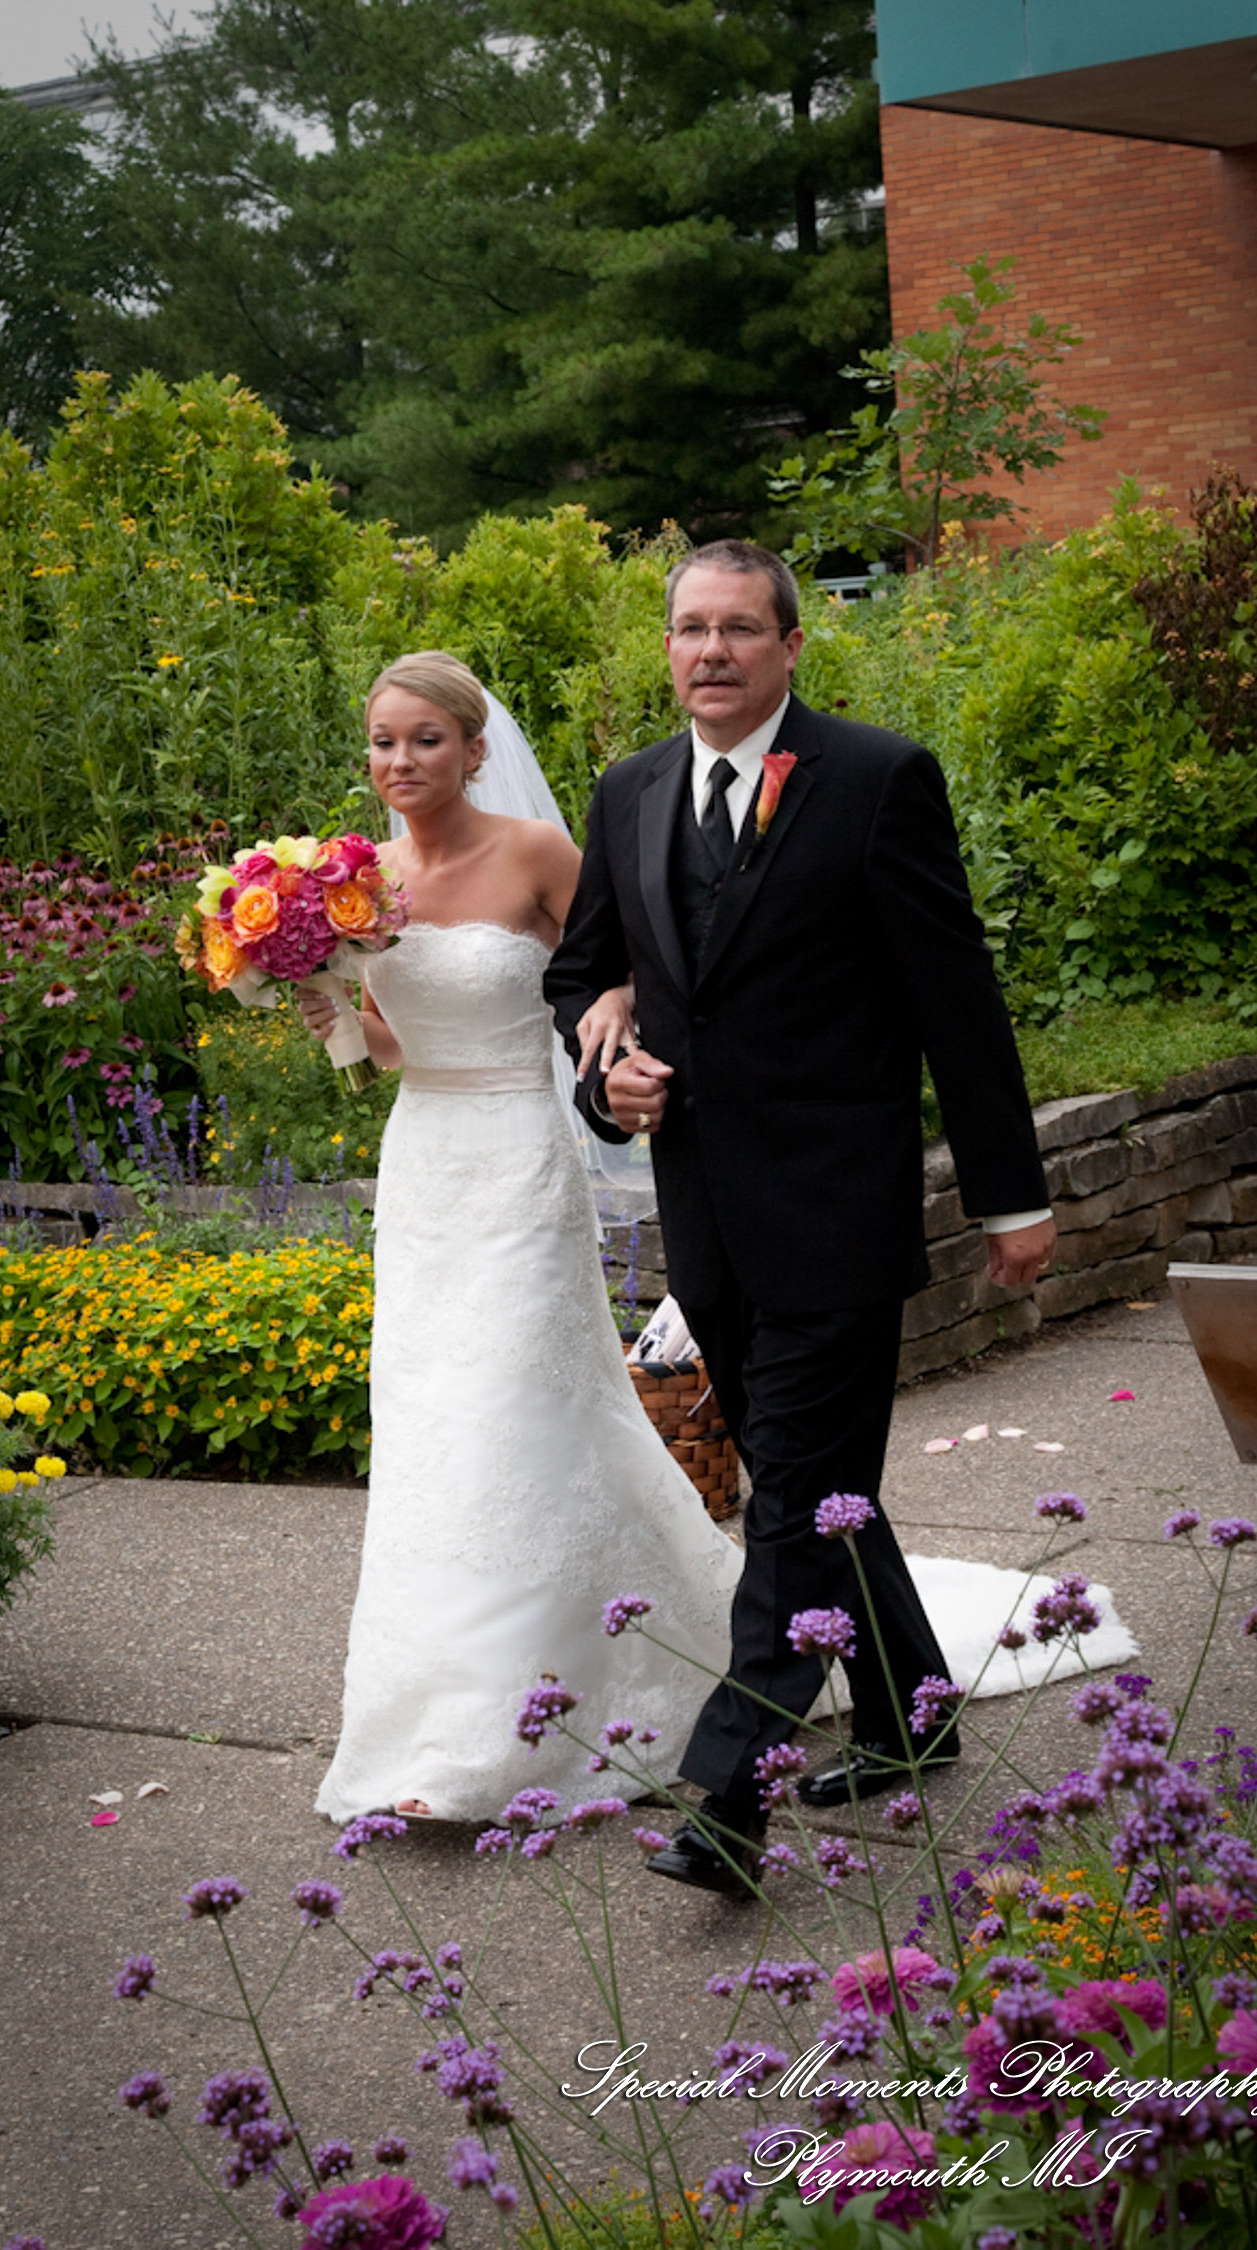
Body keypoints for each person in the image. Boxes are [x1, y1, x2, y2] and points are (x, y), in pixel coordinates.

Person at [545, 540, 1056, 1895]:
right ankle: (909, 1709)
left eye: (738, 629)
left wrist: (1013, 1194)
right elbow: (587, 973)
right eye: (689, 630)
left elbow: (958, 1002)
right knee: (813, 1483)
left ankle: (731, 1790)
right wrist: (611, 1066)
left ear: (788, 645)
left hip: (837, 1200)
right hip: (706, 1205)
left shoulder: (878, 780)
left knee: (784, 1516)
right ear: (668, 649)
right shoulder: (630, 789)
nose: (710, 651)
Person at [299, 650, 744, 1824]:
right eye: (384, 742)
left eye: (426, 740)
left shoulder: (537, 853)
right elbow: (396, 1049)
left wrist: (613, 1011)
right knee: (435, 1423)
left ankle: (539, 1714)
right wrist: (334, 1020)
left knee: (513, 1404)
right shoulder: (355, 886)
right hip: (426, 1166)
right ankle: (435, 1722)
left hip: (518, 1158)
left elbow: (645, 964)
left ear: (475, 747)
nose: (402, 761)